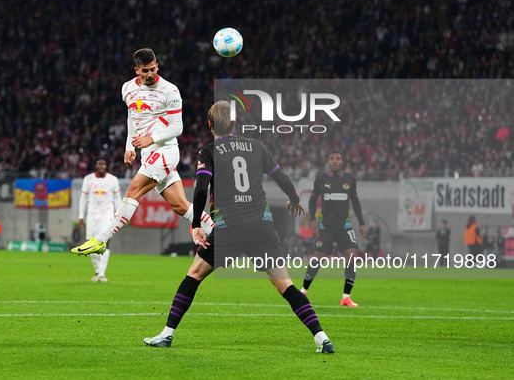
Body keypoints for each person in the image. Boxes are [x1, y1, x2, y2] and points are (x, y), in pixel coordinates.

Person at [142, 101, 334, 353]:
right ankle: (322, 338)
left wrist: (197, 223)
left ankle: (167, 334)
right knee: (285, 285)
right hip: (261, 226)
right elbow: (281, 177)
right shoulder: (257, 147)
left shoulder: (208, 151)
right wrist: (295, 200)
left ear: (210, 125)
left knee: (194, 274)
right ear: (235, 124)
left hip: (229, 227)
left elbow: (201, 188)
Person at [71, 48, 213, 256]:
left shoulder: (170, 90)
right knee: (181, 206)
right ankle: (222, 234)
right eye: (145, 70)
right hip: (148, 153)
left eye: (153, 69)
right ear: (137, 70)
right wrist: (130, 146)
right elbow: (133, 117)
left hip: (165, 150)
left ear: (158, 65)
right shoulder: (127, 88)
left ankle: (101, 240)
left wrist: (151, 139)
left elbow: (177, 128)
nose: (150, 74)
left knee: (132, 191)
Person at [300, 150, 367, 307]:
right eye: (332, 158)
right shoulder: (321, 180)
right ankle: (303, 291)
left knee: (351, 254)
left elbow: (356, 202)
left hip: (345, 227)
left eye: (338, 158)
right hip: (326, 227)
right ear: (328, 162)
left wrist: (362, 223)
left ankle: (346, 297)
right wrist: (313, 220)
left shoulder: (350, 180)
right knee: (318, 256)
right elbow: (312, 201)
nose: (335, 161)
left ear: (342, 162)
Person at [78, 157, 122, 282]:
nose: (102, 166)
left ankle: (101, 274)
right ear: (96, 166)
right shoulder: (88, 179)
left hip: (107, 215)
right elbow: (83, 198)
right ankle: (97, 271)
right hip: (92, 215)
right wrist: (81, 216)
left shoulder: (113, 180)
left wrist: (118, 215)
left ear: (106, 167)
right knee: (91, 244)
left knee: (105, 243)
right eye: (99, 164)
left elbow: (118, 198)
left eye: (104, 164)